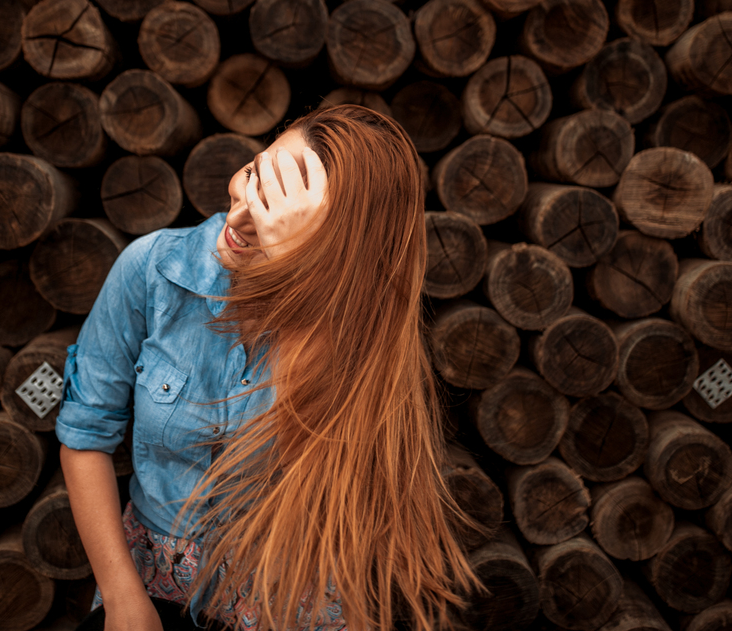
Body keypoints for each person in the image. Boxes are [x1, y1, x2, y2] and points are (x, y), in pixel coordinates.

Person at [57, 104, 479, 631]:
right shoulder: (153, 270)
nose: (239, 219)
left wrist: (291, 278)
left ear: (341, 244)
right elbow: (85, 432)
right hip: (150, 589)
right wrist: (122, 597)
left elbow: (332, 485)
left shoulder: (361, 336)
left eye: (279, 213)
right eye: (255, 176)